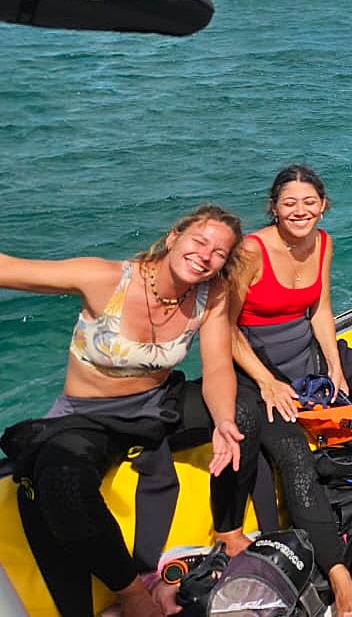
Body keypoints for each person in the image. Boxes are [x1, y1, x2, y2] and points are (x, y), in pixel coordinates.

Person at [0, 206, 245, 617]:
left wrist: (224, 421)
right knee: (60, 478)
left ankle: (229, 531)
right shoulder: (106, 279)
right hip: (88, 417)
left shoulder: (211, 294)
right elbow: (9, 269)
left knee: (249, 414)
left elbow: (219, 366)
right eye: (199, 241)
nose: (206, 255)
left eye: (219, 252)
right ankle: (130, 590)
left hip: (156, 407)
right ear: (173, 237)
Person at [229, 165, 352, 617]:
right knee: (293, 457)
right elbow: (223, 329)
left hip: (309, 360)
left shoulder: (323, 242)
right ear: (273, 208)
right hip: (258, 375)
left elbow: (320, 310)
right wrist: (268, 382)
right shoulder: (251, 251)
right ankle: (337, 572)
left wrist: (335, 366)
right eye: (289, 203)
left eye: (309, 202)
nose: (300, 211)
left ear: (323, 205)